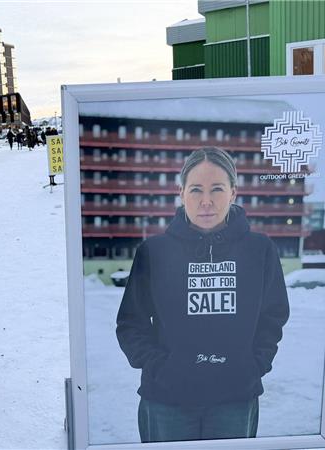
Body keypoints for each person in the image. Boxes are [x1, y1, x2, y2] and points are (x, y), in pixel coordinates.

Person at [116, 147, 289, 443]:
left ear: (233, 192)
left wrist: (254, 364)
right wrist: (159, 367)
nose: (206, 201)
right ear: (181, 193)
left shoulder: (259, 250)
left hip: (235, 398)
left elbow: (273, 316)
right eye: (196, 189)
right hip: (166, 401)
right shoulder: (154, 252)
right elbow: (131, 323)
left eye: (217, 189)